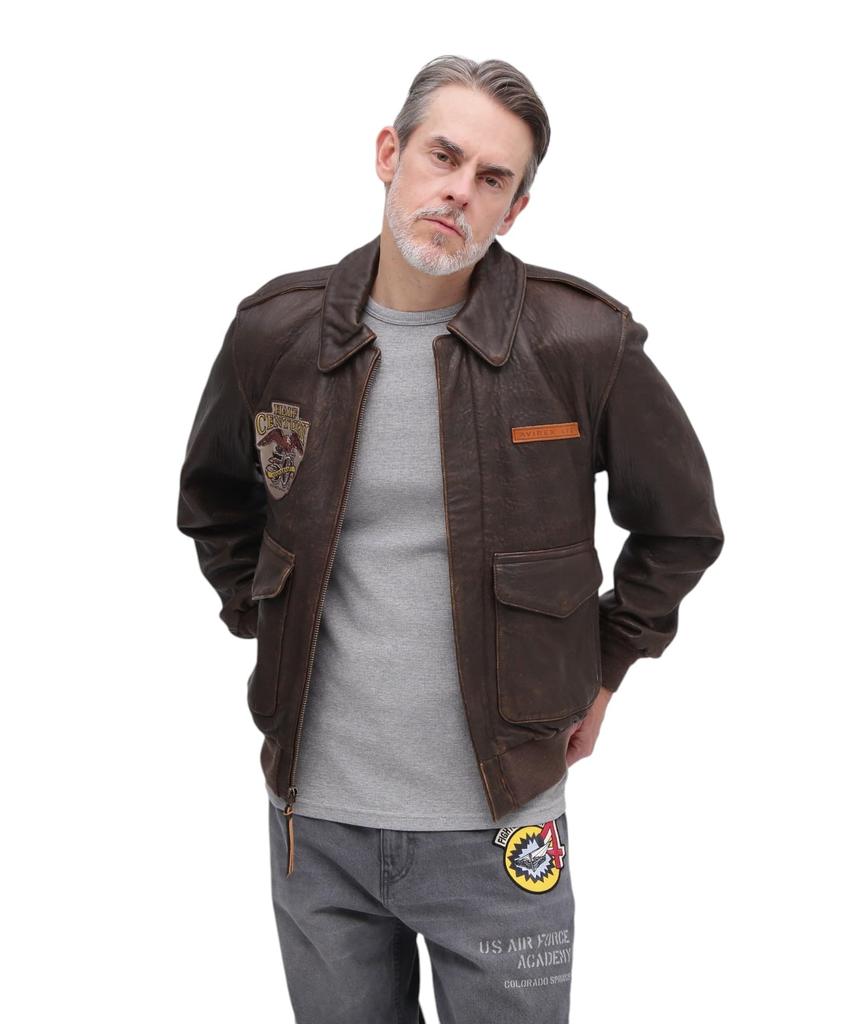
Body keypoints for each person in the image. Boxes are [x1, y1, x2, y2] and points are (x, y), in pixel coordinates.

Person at [177, 54, 724, 1023]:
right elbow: (214, 499)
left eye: (492, 177)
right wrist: (271, 618)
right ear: (389, 154)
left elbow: (681, 526)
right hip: (317, 824)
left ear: (514, 210)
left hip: (504, 826)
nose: (459, 191)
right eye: (443, 156)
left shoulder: (581, 341)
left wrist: (605, 667)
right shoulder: (275, 332)